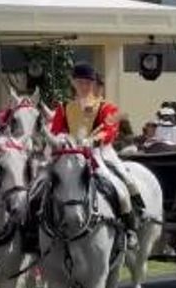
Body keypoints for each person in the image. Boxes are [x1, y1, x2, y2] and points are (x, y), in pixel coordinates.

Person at [48, 63, 144, 239]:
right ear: (73, 83)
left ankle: (131, 228)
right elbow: (56, 130)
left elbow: (110, 129)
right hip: (70, 154)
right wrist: (63, 140)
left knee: (123, 189)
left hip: (100, 152)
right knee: (40, 184)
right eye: (79, 82)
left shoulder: (106, 107)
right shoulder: (64, 108)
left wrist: (93, 140)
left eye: (87, 83)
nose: (84, 86)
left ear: (93, 84)